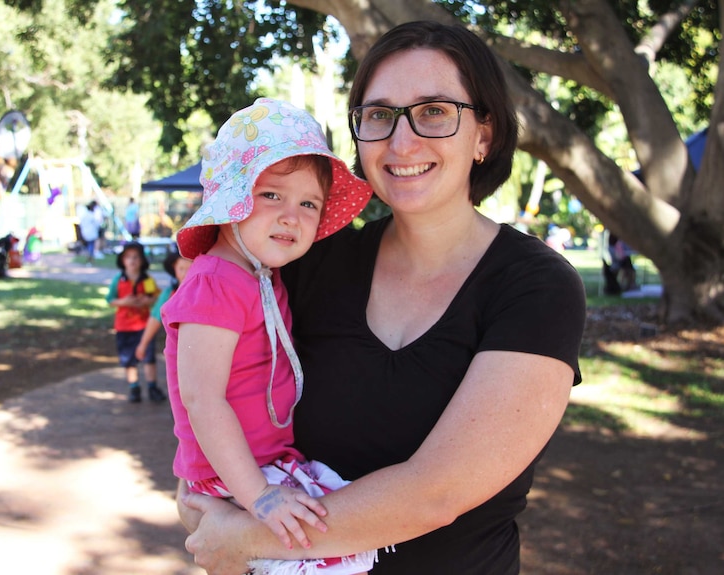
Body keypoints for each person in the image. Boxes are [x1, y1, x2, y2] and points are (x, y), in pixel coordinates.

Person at [178, 22, 587, 574]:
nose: (402, 140)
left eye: (434, 111)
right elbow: (211, 407)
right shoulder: (306, 263)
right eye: (379, 115)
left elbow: (435, 493)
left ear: (485, 135)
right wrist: (208, 515)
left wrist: (248, 536)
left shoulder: (536, 287)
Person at [163, 98, 375, 574]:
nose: (291, 216)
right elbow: (202, 399)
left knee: (344, 537)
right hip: (238, 478)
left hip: (265, 465)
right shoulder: (216, 281)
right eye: (272, 196)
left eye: (308, 204)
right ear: (232, 197)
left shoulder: (260, 274)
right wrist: (259, 497)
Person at [105, 241, 162, 403]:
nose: (132, 261)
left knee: (149, 357)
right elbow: (110, 300)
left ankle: (152, 386)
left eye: (136, 257)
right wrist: (124, 302)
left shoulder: (147, 280)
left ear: (142, 260)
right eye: (128, 257)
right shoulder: (119, 279)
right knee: (129, 359)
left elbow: (155, 296)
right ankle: (134, 387)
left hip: (144, 325)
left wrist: (146, 300)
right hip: (124, 326)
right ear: (123, 260)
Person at [134, 248, 191, 367]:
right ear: (174, 269)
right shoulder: (169, 294)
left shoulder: (204, 293)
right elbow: (155, 318)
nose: (185, 274)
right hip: (177, 349)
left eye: (190, 269)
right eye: (181, 269)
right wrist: (143, 344)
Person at [78, 200, 102, 264]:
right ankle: (90, 258)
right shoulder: (91, 216)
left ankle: (90, 258)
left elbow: (81, 224)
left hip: (85, 233)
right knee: (91, 246)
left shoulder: (85, 215)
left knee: (89, 246)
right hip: (91, 233)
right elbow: (97, 224)